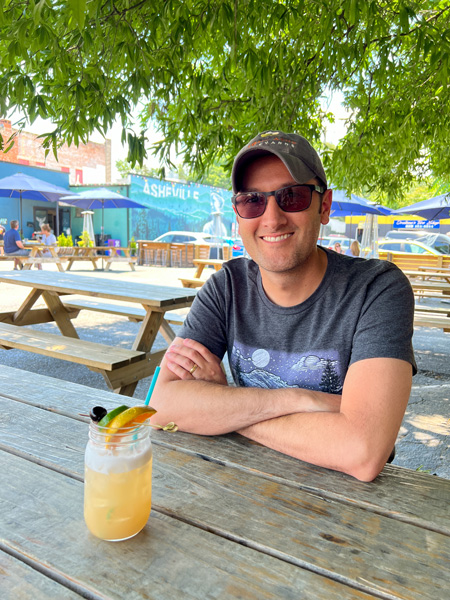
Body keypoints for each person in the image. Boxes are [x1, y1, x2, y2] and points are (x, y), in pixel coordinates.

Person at [151, 130, 416, 482]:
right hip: (247, 485)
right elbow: (161, 406)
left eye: (291, 197)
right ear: (239, 215)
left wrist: (225, 404)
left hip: (351, 507)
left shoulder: (376, 288)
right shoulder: (226, 287)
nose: (272, 219)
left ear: (324, 206)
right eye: (252, 201)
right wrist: (297, 400)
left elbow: (361, 452)